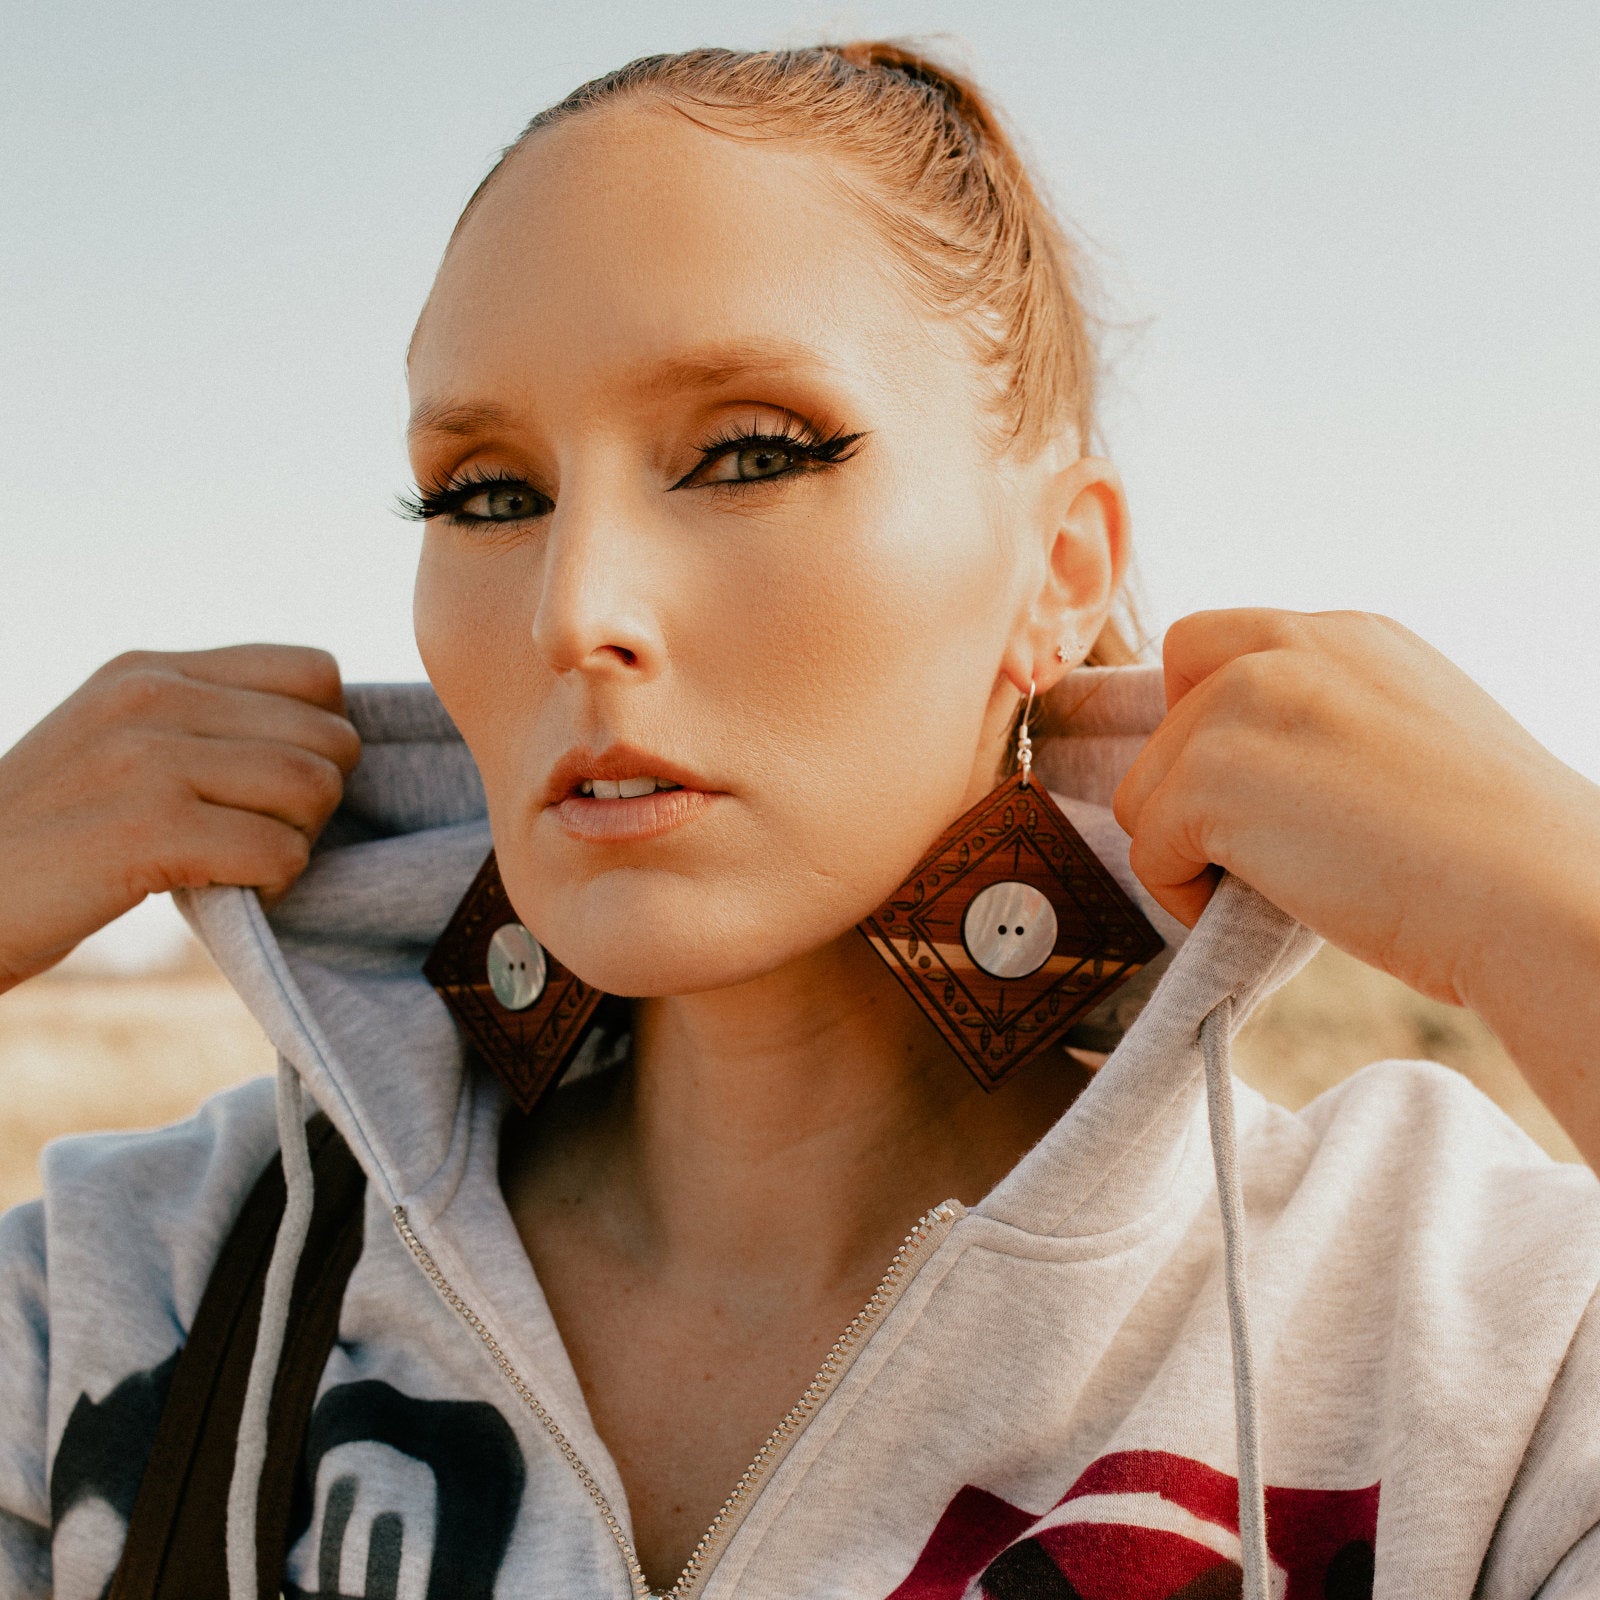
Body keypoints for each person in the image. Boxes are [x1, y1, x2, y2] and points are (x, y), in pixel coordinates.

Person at [3, 40, 1599, 1600]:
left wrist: (1561, 912)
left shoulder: (1465, 1329)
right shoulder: (136, 1283)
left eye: (749, 454)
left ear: (1060, 571)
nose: (579, 612)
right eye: (486, 493)